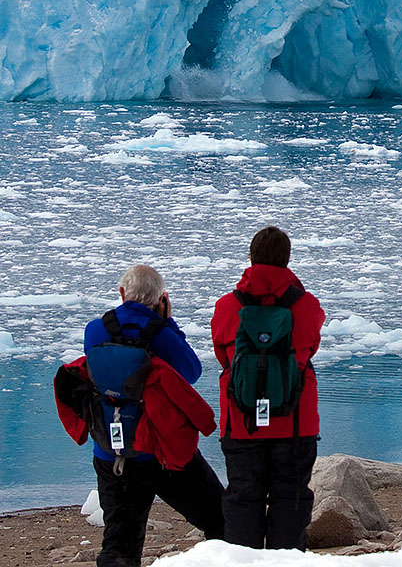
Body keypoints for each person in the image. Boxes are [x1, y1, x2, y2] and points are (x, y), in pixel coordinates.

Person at [81, 265, 224, 567]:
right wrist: (168, 323)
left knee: (119, 544)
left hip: (110, 452)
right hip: (160, 452)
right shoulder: (161, 335)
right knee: (220, 517)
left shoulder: (96, 330)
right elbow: (191, 373)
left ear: (122, 293)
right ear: (161, 299)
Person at [211, 226, 325, 550]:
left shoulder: (227, 306)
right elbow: (310, 349)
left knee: (242, 499)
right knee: (290, 500)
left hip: (242, 422)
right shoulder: (306, 306)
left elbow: (223, 356)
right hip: (295, 424)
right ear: (287, 260)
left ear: (251, 257)